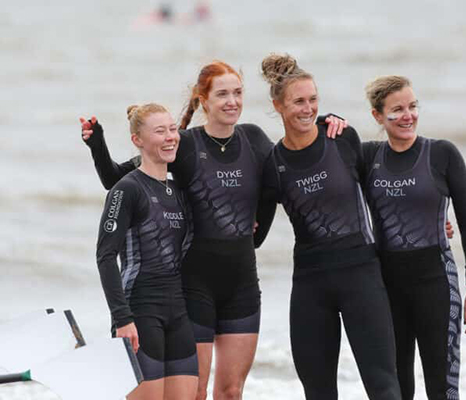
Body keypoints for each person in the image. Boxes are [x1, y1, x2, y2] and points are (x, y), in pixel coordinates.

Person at [80, 61, 345, 400]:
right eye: (222, 94)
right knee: (196, 392)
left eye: (237, 93)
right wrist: (97, 144)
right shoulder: (183, 144)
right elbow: (119, 180)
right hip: (195, 287)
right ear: (204, 100)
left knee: (232, 392)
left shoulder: (254, 139)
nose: (232, 101)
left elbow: (283, 175)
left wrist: (321, 122)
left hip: (242, 284)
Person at [259, 53, 402, 400]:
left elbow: (381, 191)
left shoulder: (341, 138)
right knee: (318, 392)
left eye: (313, 100)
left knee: (383, 385)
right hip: (310, 284)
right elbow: (254, 235)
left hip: (361, 275)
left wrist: (429, 220)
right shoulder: (273, 165)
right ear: (278, 105)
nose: (307, 109)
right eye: (298, 102)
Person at [363, 76, 466, 400]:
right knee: (396, 388)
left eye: (413, 106)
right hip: (387, 289)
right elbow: (325, 156)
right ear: (377, 116)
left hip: (436, 286)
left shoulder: (442, 154)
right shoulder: (368, 158)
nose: (408, 115)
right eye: (397, 109)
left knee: (442, 388)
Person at [92, 103, 198, 400]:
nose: (170, 137)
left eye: (172, 130)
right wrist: (122, 319)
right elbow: (104, 257)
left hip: (178, 312)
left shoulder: (178, 191)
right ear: (137, 140)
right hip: (139, 311)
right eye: (159, 131)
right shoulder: (126, 190)